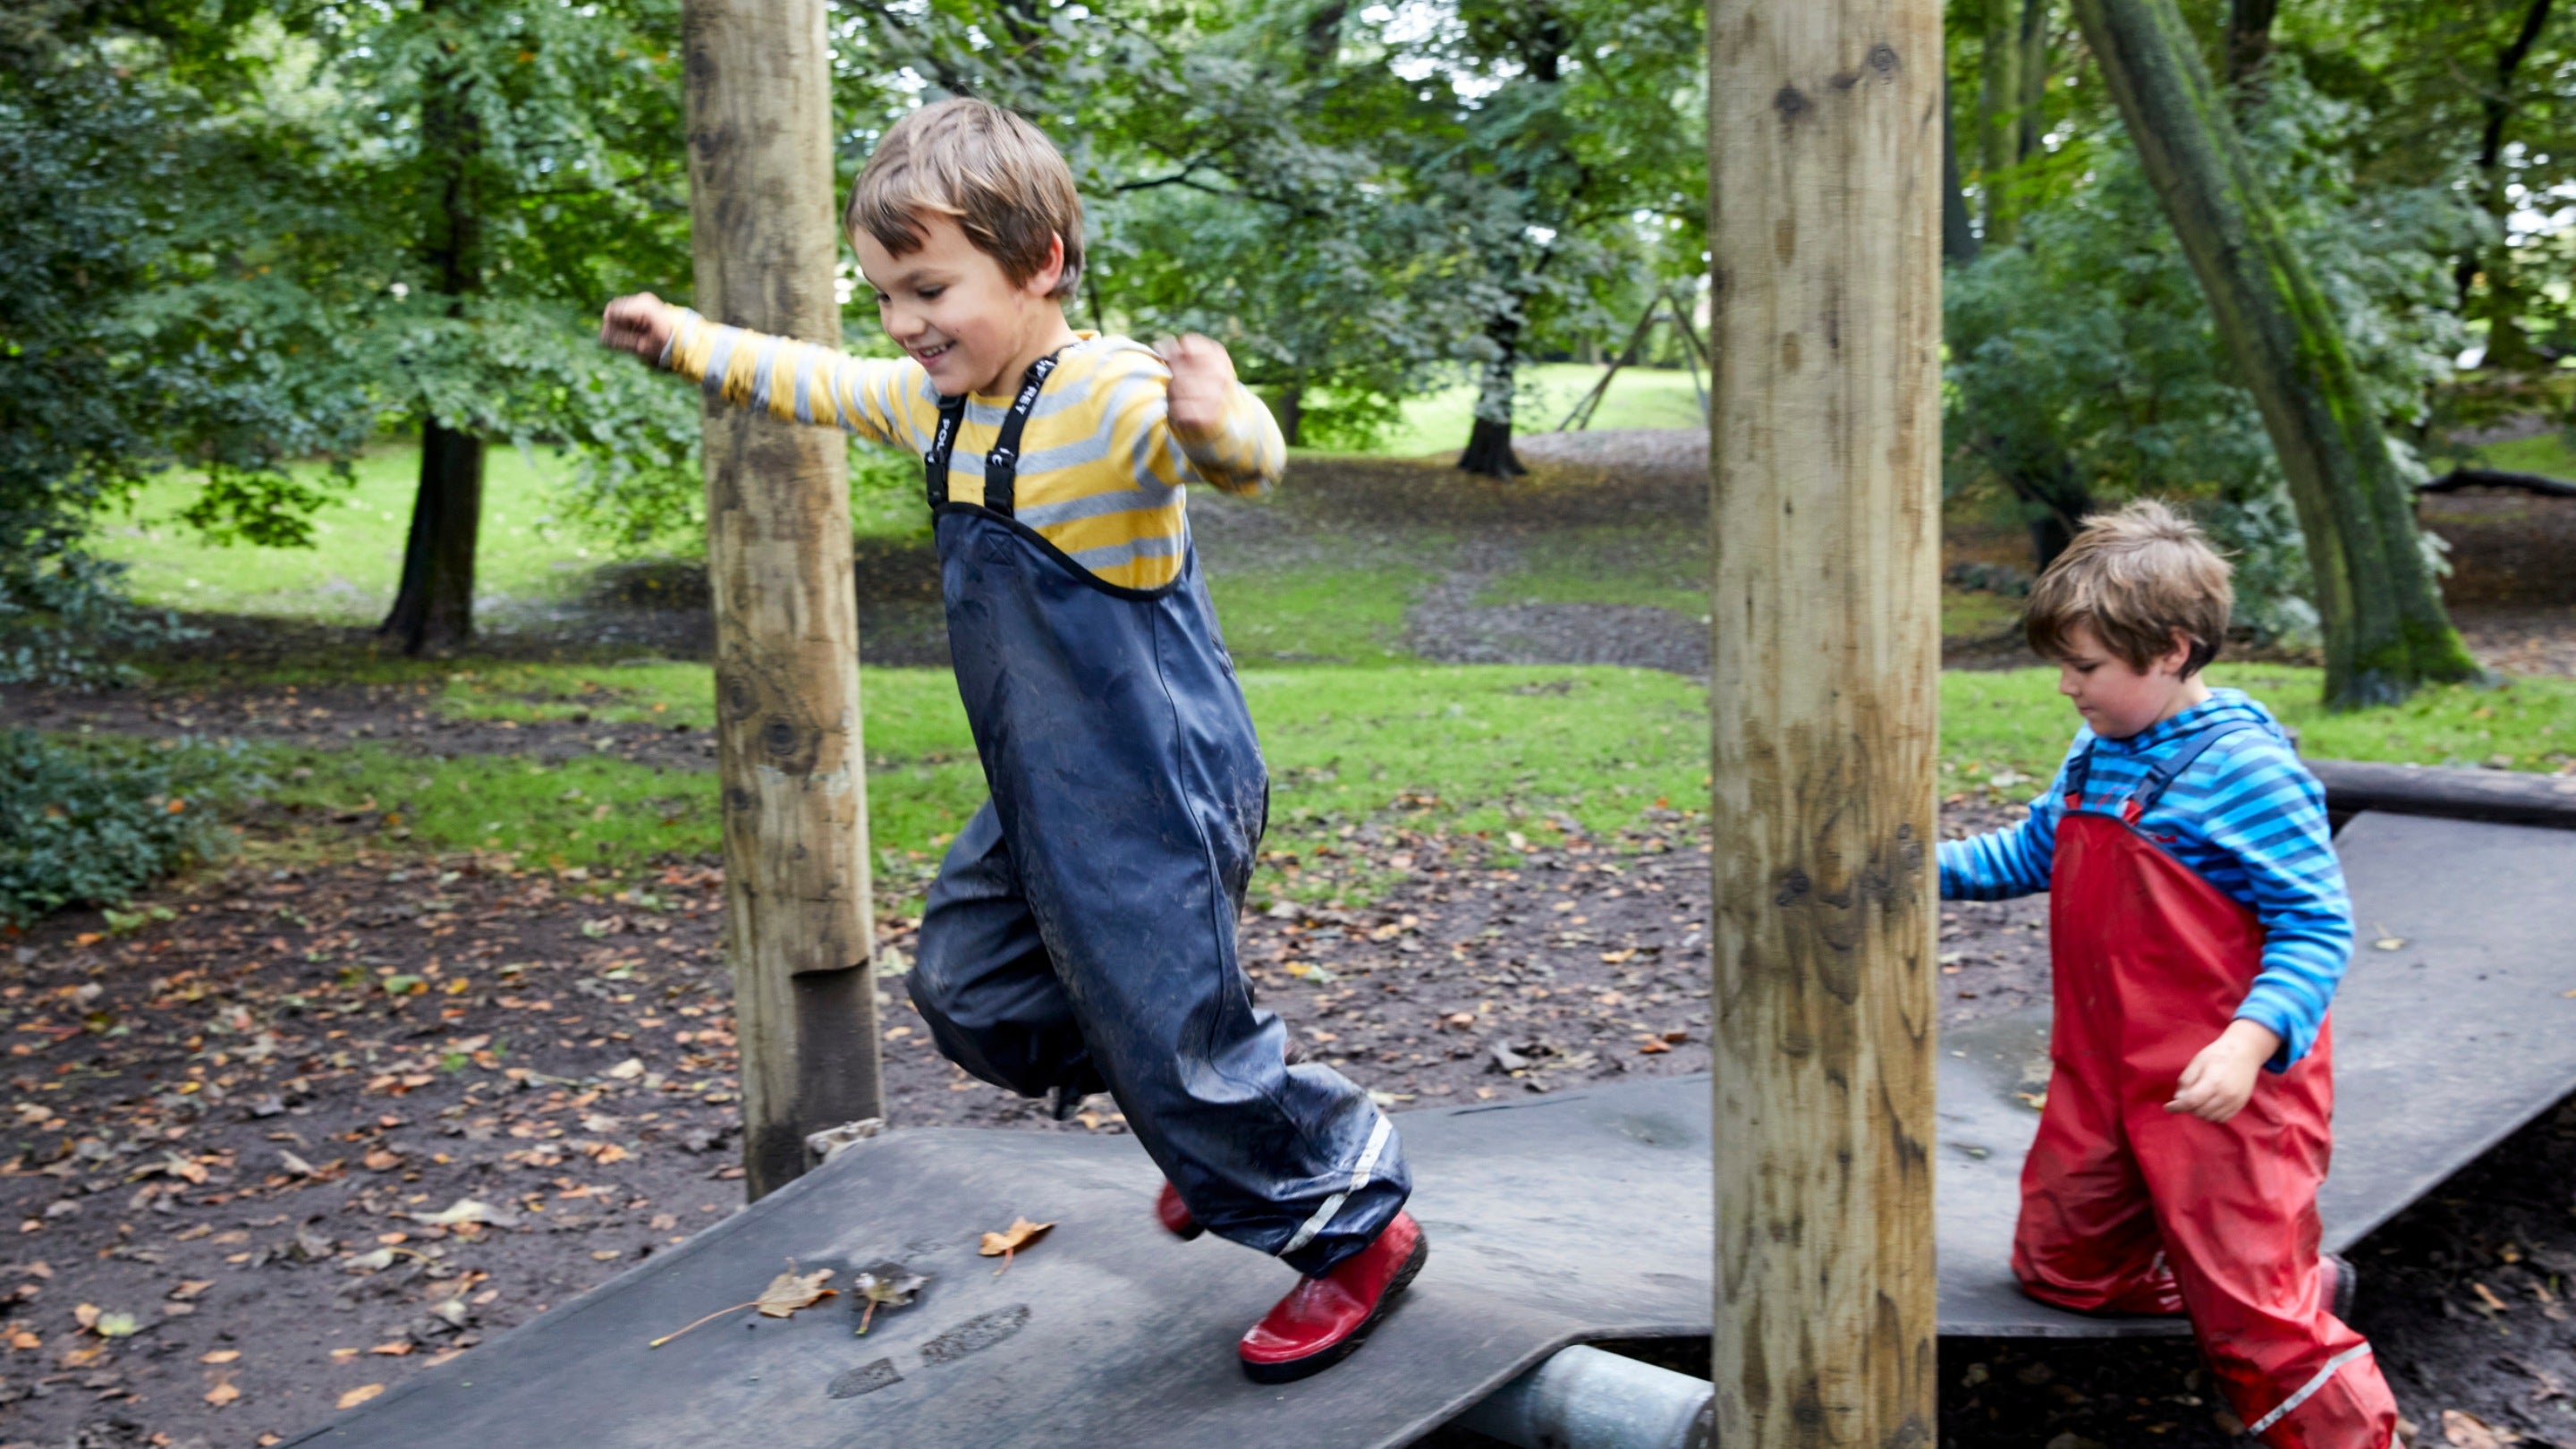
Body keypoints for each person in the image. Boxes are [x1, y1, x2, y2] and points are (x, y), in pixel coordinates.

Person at [596, 97, 1420, 1382]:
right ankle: (1205, 1133)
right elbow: (807, 379)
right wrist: (683, 342)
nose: (905, 322)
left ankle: (1357, 1229)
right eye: (882, 295)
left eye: (929, 287)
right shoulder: (944, 408)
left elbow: (1244, 456)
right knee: (967, 993)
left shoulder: (1107, 396)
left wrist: (1214, 421)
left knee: (1179, 1043)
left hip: (1156, 786)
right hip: (1043, 789)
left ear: (1038, 260)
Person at [1942, 501, 2398, 1447]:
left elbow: (2316, 925)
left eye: (2086, 667)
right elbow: (2035, 853)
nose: (2067, 688)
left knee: (2259, 1331)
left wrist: (2248, 1043)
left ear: (2173, 651)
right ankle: (2250, 1275)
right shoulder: (2099, 751)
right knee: (2063, 1264)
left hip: (2228, 1094)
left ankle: (2339, 1405)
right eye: (2063, 664)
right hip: (2105, 1074)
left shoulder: (2244, 772)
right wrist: (1912, 872)